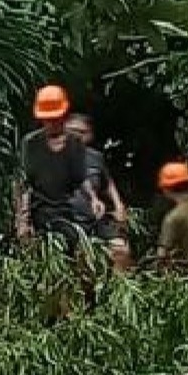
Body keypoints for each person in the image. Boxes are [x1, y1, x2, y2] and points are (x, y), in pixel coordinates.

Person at [14, 85, 96, 247]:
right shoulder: (30, 143)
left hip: (68, 213)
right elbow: (22, 183)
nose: (51, 123)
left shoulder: (75, 143)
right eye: (47, 119)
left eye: (55, 118)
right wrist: (22, 220)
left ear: (64, 116)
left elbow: (81, 179)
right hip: (38, 214)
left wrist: (93, 199)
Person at [65, 113, 133, 270]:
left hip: (94, 219)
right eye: (72, 131)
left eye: (82, 132)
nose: (76, 135)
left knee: (120, 249)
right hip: (66, 220)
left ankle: (119, 288)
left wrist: (118, 205)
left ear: (90, 135)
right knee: (80, 260)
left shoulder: (96, 157)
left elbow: (108, 182)